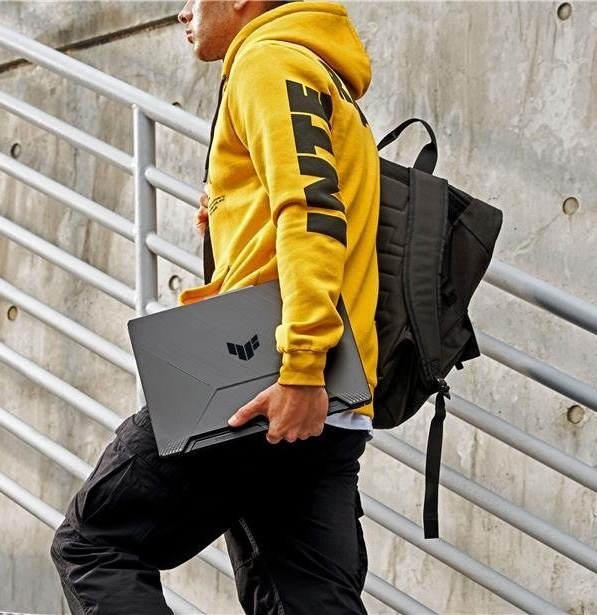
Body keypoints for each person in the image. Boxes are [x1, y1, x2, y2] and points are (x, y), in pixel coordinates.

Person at [50, 1, 380, 612]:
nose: (182, 12)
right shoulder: (322, 74)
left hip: (261, 380)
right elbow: (309, 205)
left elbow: (310, 211)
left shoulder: (269, 61)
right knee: (303, 602)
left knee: (95, 545)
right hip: (330, 396)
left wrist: (301, 366)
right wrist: (227, 214)